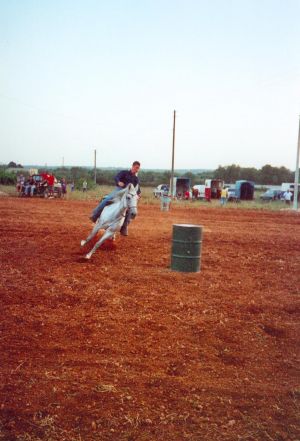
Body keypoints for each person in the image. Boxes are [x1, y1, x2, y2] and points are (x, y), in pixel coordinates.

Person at [90, 161, 141, 236]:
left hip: (126, 194)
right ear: (133, 166)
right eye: (136, 168)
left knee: (130, 209)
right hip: (119, 190)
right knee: (107, 199)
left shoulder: (136, 179)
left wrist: (137, 194)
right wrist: (119, 182)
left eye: (138, 168)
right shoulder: (124, 173)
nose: (137, 170)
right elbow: (116, 177)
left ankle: (124, 227)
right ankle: (95, 215)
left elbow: (134, 189)